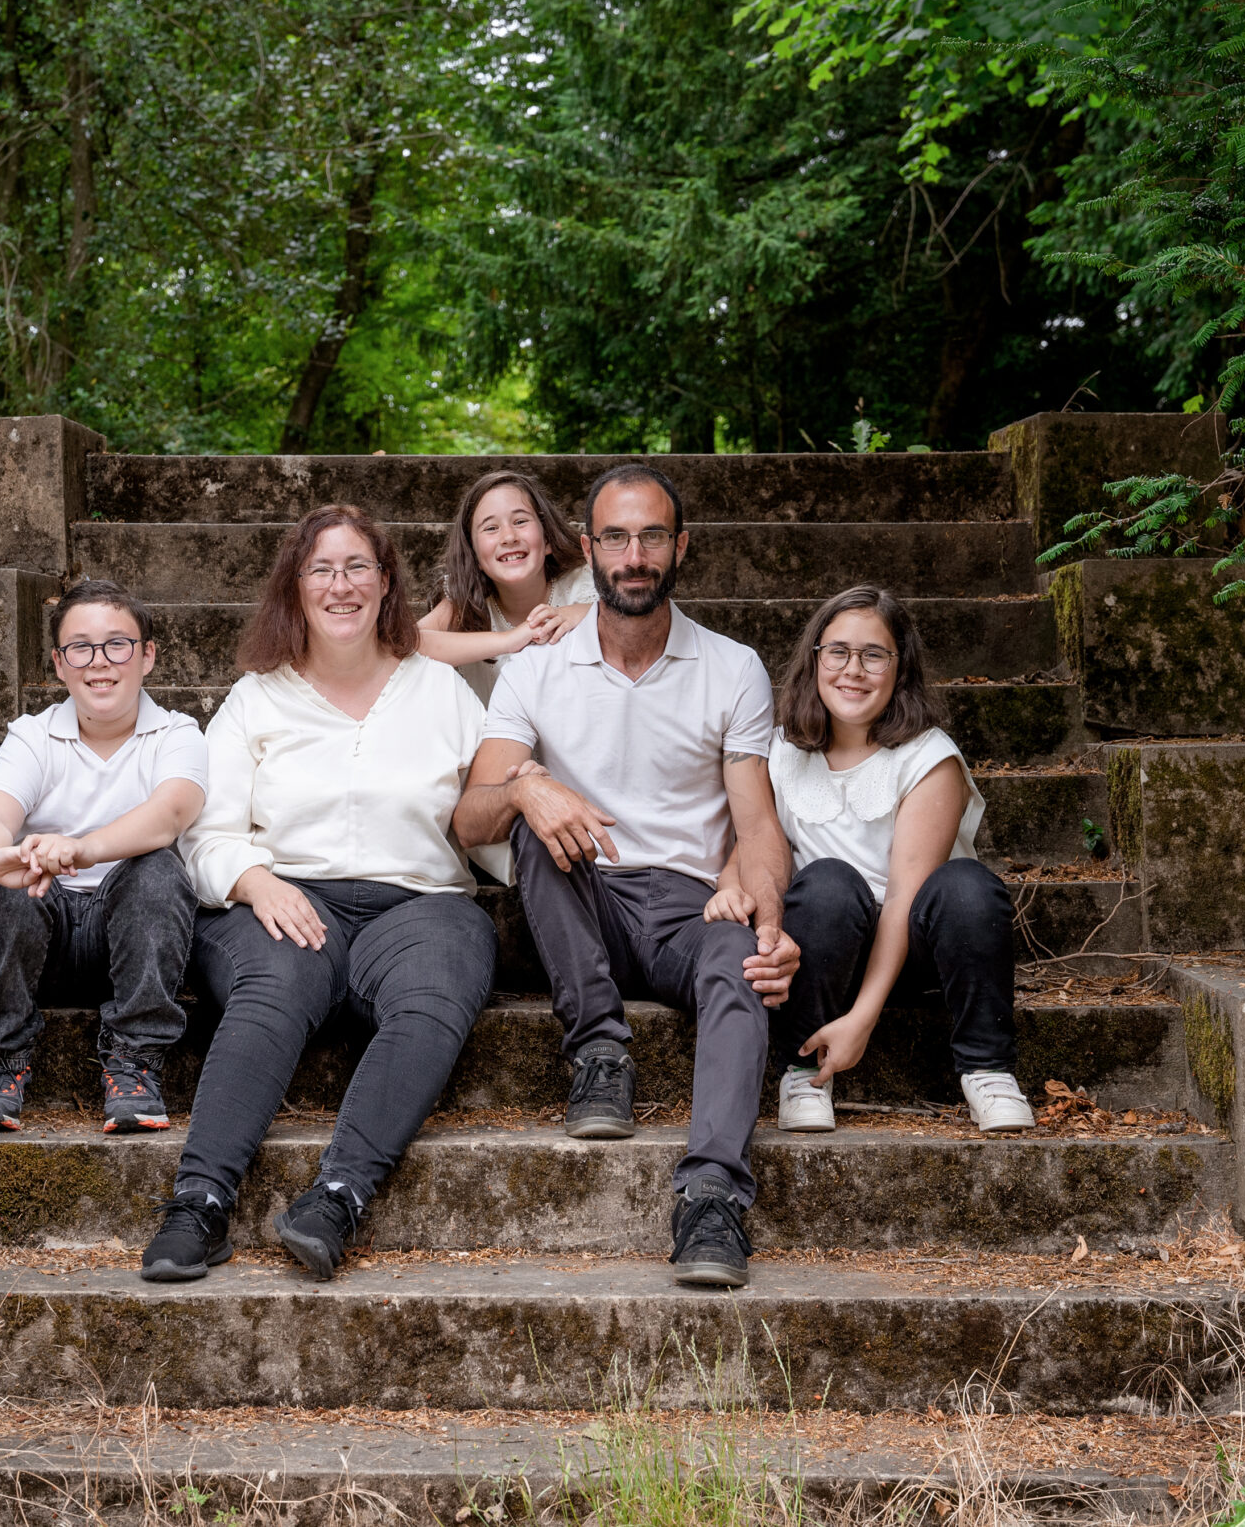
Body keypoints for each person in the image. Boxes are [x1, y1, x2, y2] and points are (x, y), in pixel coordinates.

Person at [453, 463, 807, 1291]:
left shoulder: (732, 667)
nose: (634, 554)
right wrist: (527, 786)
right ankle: (600, 1052)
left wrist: (767, 912)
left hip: (695, 905)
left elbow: (757, 826)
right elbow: (470, 817)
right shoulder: (536, 668)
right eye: (615, 537)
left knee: (744, 966)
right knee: (536, 826)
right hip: (591, 895)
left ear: (680, 547)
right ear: (588, 548)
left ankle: (712, 1195)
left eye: (652, 535)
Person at [141, 504, 500, 1285]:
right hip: (284, 898)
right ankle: (198, 1204)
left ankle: (336, 1197)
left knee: (438, 989)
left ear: (386, 583)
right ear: (295, 588)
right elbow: (204, 831)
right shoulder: (256, 698)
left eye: (357, 567)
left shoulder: (442, 692)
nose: (341, 585)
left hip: (420, 902)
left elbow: (492, 824)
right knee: (274, 984)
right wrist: (252, 877)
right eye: (321, 569)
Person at [750, 584, 1034, 1135]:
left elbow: (906, 894)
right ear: (815, 660)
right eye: (838, 652)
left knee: (967, 885)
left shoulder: (930, 756)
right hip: (826, 956)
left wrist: (863, 1018)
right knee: (826, 881)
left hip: (918, 958)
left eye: (873, 654)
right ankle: (804, 1071)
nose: (853, 669)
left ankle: (988, 1069)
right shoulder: (783, 750)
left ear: (900, 668)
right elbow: (756, 845)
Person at [0, 578, 207, 1135]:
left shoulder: (177, 735)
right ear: (58, 663)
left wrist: (83, 847)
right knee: (3, 880)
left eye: (118, 645)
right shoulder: (33, 736)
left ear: (147, 656)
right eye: (80, 648)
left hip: (133, 940)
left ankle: (135, 1061)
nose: (100, 663)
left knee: (158, 869)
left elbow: (170, 814)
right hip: (40, 935)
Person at [417, 468, 598, 703]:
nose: (509, 537)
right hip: (493, 737)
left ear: (547, 539)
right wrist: (509, 640)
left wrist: (585, 613)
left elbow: (642, 618)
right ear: (474, 555)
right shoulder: (466, 601)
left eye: (520, 521)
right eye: (491, 528)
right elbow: (407, 643)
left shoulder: (581, 586)